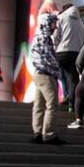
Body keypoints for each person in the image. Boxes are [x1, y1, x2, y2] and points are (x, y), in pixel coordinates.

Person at [29, 11, 65, 145]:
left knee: (38, 104)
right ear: (47, 23)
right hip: (46, 75)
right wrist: (58, 70)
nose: (55, 26)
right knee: (52, 104)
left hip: (38, 73)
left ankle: (37, 132)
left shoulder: (37, 36)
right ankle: (49, 134)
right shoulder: (45, 38)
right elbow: (49, 58)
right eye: (53, 23)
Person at [52, 3, 84, 116]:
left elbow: (56, 35)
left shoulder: (61, 17)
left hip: (61, 51)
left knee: (58, 76)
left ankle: (62, 100)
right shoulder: (81, 20)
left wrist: (55, 45)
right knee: (73, 79)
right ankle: (72, 104)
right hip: (76, 52)